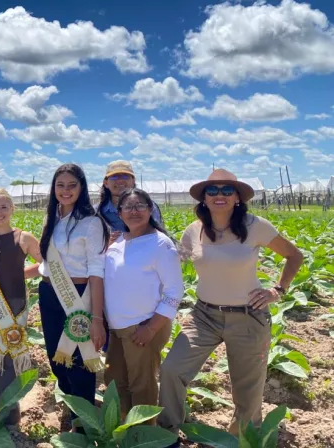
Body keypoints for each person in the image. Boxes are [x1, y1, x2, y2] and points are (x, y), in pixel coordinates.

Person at [158, 169, 303, 446]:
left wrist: (277, 290)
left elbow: (294, 255)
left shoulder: (255, 225)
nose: (220, 195)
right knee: (172, 369)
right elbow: (173, 261)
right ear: (204, 198)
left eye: (227, 190)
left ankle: (242, 439)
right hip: (204, 316)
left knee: (247, 391)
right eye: (212, 191)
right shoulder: (194, 231)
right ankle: (167, 433)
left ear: (237, 197)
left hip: (248, 317)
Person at [37, 163, 109, 428]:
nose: (65, 191)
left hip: (78, 296)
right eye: (60, 185)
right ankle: (72, 405)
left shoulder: (91, 224)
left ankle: (84, 421)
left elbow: (97, 271)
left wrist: (97, 318)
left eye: (71, 185)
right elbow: (45, 261)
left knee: (79, 361)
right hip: (48, 293)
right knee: (57, 358)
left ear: (82, 188)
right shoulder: (52, 218)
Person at [103, 189, 183, 419]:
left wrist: (151, 328)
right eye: (128, 207)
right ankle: (125, 430)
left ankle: (144, 436)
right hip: (116, 328)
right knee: (115, 381)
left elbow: (174, 292)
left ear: (150, 210)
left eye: (140, 206)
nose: (134, 211)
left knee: (142, 386)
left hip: (142, 326)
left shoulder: (161, 245)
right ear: (119, 213)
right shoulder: (118, 241)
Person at [0, 188, 42, 425]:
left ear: (12, 209)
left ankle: (10, 410)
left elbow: (46, 264)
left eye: (3, 207)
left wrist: (22, 274)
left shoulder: (25, 237)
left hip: (13, 304)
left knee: (9, 354)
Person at [98, 160, 162, 244]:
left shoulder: (148, 206)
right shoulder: (97, 212)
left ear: (133, 181)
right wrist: (105, 243)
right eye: (114, 177)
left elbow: (157, 236)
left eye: (125, 176)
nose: (120, 180)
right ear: (106, 183)